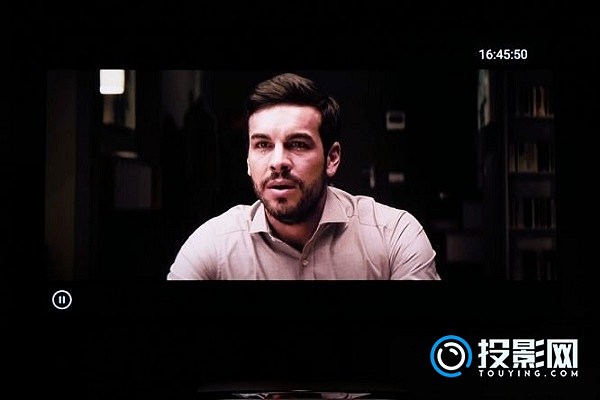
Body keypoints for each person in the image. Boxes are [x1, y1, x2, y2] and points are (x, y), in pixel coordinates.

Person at [167, 72, 440, 280]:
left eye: (298, 144)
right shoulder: (212, 246)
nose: (278, 162)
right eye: (262, 145)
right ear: (248, 161)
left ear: (332, 159)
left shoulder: (394, 237)